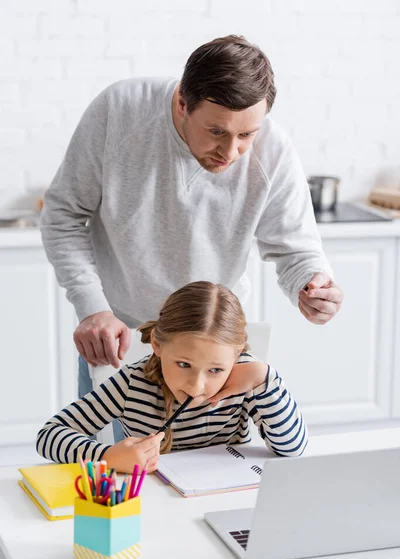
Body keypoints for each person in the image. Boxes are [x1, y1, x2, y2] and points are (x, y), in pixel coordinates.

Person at [40, 34, 343, 419]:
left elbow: (297, 250)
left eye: (246, 135)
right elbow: (63, 213)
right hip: (119, 340)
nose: (231, 153)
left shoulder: (274, 151)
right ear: (183, 103)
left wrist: (313, 285)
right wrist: (92, 308)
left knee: (216, 474)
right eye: (216, 131)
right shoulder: (119, 112)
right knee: (112, 472)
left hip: (214, 353)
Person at [36, 282, 308, 473]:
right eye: (183, 363)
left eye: (215, 370)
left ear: (236, 355)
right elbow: (49, 436)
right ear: (156, 343)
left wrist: (265, 378)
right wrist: (107, 456)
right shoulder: (133, 383)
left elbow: (293, 448)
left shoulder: (246, 381)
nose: (196, 386)